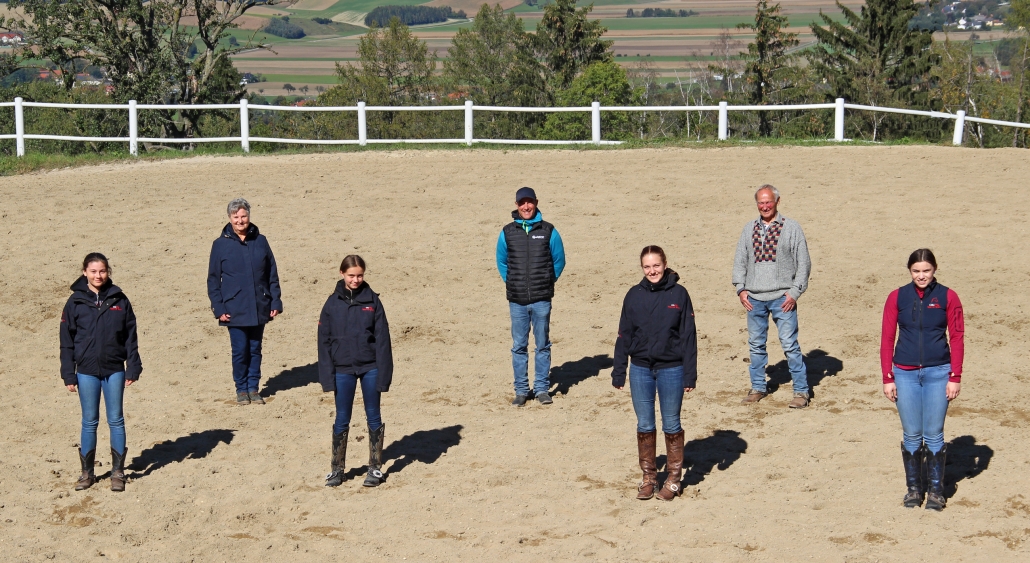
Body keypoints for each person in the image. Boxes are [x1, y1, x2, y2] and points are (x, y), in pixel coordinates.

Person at [881, 249, 964, 511]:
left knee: (934, 434)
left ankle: (936, 492)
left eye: (926, 270)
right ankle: (914, 490)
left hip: (938, 373)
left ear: (934, 269)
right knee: (911, 434)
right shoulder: (897, 297)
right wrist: (887, 376)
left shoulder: (948, 296)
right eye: (916, 271)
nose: (921, 276)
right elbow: (887, 338)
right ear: (909, 271)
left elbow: (957, 337)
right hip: (904, 374)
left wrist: (955, 376)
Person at [612, 246, 698, 501]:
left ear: (665, 264)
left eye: (656, 265)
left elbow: (688, 336)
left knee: (671, 423)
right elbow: (624, 333)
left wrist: (690, 374)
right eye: (647, 266)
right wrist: (619, 371)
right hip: (640, 369)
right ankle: (649, 477)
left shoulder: (679, 294)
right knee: (645, 424)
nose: (652, 271)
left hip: (672, 369)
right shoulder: (633, 295)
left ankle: (673, 479)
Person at [60, 253, 142, 492]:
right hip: (86, 371)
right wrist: (68, 373)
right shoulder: (74, 302)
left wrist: (133, 366)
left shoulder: (120, 300)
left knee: (116, 420)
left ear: (108, 272)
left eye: (102, 271)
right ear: (84, 272)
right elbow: (66, 341)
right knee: (89, 421)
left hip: (114, 369)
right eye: (94, 271)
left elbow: (130, 337)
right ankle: (87, 473)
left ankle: (118, 472)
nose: (98, 276)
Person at [732, 184, 812, 408]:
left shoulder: (792, 228)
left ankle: (801, 391)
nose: (765, 206)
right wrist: (741, 289)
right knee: (756, 345)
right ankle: (758, 387)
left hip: (782, 299)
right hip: (754, 299)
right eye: (761, 202)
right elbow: (740, 260)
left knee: (789, 345)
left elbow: (804, 263)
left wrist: (795, 292)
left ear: (777, 201)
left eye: (768, 202)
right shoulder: (749, 229)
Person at [318, 255, 394, 488]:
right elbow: (323, 342)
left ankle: (375, 468)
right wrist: (327, 378)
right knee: (342, 418)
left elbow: (383, 340)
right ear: (342, 273)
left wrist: (384, 375)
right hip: (342, 369)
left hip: (370, 367)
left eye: (360, 275)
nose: (356, 280)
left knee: (374, 416)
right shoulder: (331, 304)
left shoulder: (373, 301)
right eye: (351, 275)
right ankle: (337, 469)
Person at [207, 198, 283, 405]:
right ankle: (241, 389)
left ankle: (253, 388)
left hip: (259, 305)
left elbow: (272, 274)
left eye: (243, 216)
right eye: (236, 217)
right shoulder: (220, 245)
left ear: (249, 216)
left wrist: (275, 301)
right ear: (229, 218)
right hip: (234, 308)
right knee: (240, 350)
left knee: (255, 349)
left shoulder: (261, 241)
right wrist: (219, 308)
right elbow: (213, 280)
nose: (240, 221)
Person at [496, 186, 566, 406]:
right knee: (519, 346)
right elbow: (501, 262)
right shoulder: (507, 232)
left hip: (541, 299)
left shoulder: (549, 231)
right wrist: (513, 282)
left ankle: (542, 389)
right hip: (517, 300)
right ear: (516, 205)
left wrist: (546, 281)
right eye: (522, 203)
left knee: (542, 344)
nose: (526, 207)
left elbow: (559, 260)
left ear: (536, 202)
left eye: (529, 202)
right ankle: (521, 390)